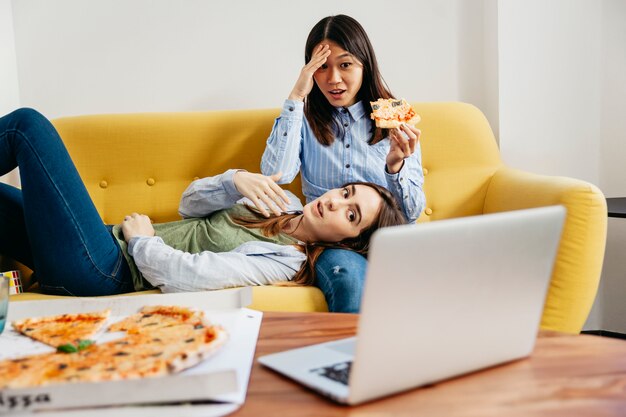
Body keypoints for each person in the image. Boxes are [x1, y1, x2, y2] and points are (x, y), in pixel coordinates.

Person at [0, 108, 406, 297]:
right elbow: (189, 205)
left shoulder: (287, 260)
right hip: (98, 247)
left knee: (27, 127)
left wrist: (141, 242)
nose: (335, 202)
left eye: (351, 215)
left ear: (350, 242)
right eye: (346, 193)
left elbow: (191, 276)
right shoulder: (281, 199)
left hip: (107, 270)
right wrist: (234, 180)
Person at [260, 15, 425, 312]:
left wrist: (395, 167)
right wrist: (296, 97)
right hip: (334, 242)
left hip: (387, 243)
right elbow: (276, 175)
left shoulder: (393, 114)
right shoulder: (304, 117)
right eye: (322, 66)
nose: (333, 78)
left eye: (345, 64)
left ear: (365, 64)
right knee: (349, 279)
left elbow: (410, 213)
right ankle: (347, 359)